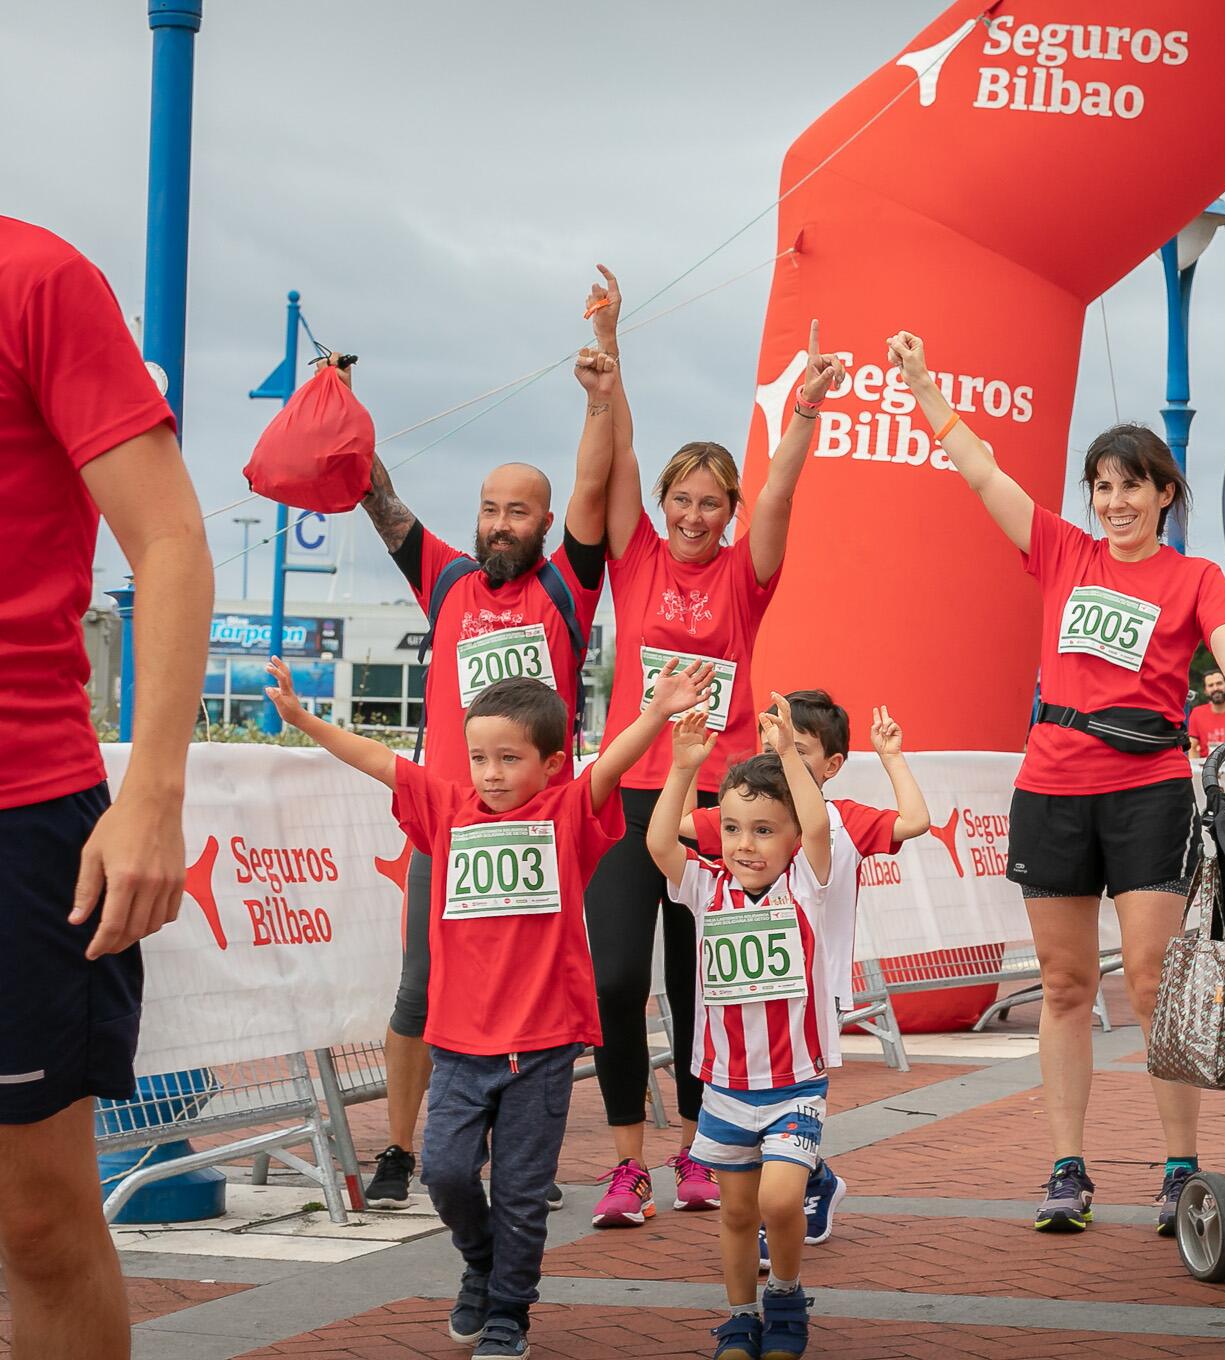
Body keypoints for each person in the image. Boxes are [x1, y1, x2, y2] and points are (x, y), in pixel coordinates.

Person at [888, 329, 1225, 1236]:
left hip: (1148, 786)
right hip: (1051, 786)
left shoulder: (1193, 577)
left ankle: (1180, 1170)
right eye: (1102, 487)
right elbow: (978, 469)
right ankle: (1068, 1168)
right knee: (1066, 984)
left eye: (1132, 486)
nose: (1115, 502)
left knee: (1152, 982)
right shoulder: (1062, 551)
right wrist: (924, 384)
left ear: (1165, 494)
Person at [265, 654, 709, 1358]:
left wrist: (656, 711)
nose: (492, 773)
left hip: (542, 1047)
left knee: (523, 1193)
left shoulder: (566, 813)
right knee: (444, 1173)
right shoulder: (445, 809)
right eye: (479, 757)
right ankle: (480, 1262)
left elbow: (609, 766)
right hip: (459, 1049)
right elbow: (380, 760)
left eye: (510, 758)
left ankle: (509, 1312)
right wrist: (303, 720)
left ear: (550, 763)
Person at [579, 271, 845, 1228]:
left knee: (703, 984)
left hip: (712, 813)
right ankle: (624, 1165)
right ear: (663, 506)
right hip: (626, 799)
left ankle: (701, 1146)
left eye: (711, 504)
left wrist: (805, 411)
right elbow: (625, 447)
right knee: (614, 977)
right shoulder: (636, 557)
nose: (695, 517)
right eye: (682, 501)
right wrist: (614, 341)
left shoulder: (745, 576)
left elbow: (781, 487)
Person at [0, 216, 211, 1360]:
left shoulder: (36, 276)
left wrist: (154, 793)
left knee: (36, 1218)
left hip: (23, 807)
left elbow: (171, 537)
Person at [350, 313, 616, 1212]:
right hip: (452, 823)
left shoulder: (565, 585)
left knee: (530, 1001)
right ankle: (398, 1148)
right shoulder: (449, 579)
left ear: (545, 523)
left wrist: (598, 391)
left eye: (520, 511)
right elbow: (376, 495)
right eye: (491, 509)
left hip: (541, 830)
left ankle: (521, 1156)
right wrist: (342, 412)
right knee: (421, 988)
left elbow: (592, 481)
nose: (502, 524)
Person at [676, 690, 930, 1266]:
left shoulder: (841, 820)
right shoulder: (751, 823)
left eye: (795, 746)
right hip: (752, 992)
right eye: (769, 740)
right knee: (769, 1093)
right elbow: (685, 827)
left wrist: (891, 756)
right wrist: (684, 766)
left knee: (794, 1085)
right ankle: (805, 1185)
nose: (777, 751)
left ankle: (800, 1190)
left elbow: (915, 822)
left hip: (821, 977)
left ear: (832, 765)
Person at [649, 698, 840, 1360]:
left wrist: (789, 753)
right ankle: (739, 1316)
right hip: (725, 1088)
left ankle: (785, 1295)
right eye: (732, 829)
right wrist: (680, 768)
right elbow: (657, 843)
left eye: (763, 830)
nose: (743, 844)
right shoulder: (705, 887)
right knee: (735, 1214)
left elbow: (818, 829)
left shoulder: (807, 886)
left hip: (794, 1086)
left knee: (782, 1201)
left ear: (790, 840)